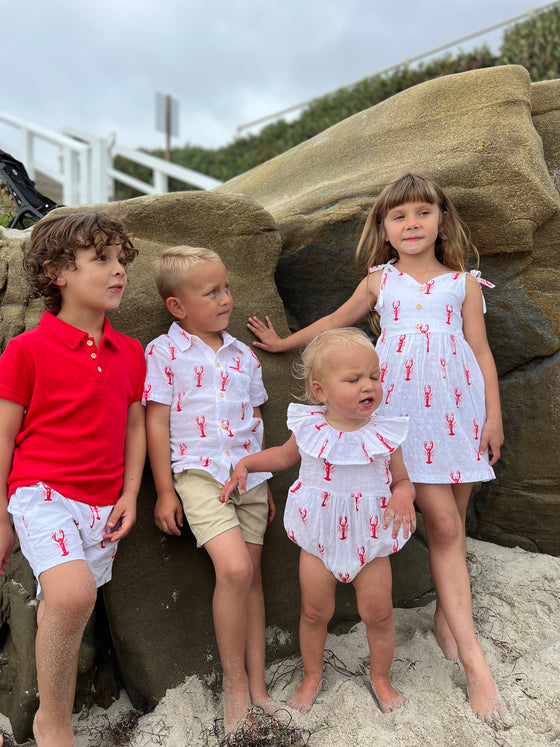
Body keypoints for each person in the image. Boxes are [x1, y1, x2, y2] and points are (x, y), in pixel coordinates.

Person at [245, 173, 509, 730]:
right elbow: (332, 326)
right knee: (440, 524)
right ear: (384, 228)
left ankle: (446, 614)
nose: (411, 224)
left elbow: (481, 353)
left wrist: (494, 415)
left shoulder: (463, 284)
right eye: (398, 216)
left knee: (451, 523)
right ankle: (477, 664)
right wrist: (285, 343)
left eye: (422, 213)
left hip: (457, 410)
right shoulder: (379, 281)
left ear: (442, 220)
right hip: (397, 411)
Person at [0, 212, 147, 747]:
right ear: (56, 271)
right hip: (41, 493)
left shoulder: (130, 351)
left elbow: (135, 424)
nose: (118, 272)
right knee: (71, 593)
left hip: (102, 505)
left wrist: (131, 493)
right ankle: (52, 723)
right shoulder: (26, 351)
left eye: (120, 261)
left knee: (76, 601)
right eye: (101, 260)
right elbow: (3, 437)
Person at [221, 328, 416, 715]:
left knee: (378, 614)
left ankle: (381, 678)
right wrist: (247, 463)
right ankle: (312, 676)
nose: (369, 386)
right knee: (313, 613)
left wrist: (403, 494)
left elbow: (402, 480)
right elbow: (281, 457)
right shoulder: (310, 429)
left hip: (371, 539)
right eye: (354, 379)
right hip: (319, 538)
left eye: (374, 376)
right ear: (321, 391)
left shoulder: (384, 434)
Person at [143, 245, 276, 736]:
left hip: (251, 477)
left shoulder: (243, 354)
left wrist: (264, 476)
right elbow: (156, 423)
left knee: (254, 576)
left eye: (227, 288)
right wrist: (163, 491)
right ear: (178, 307)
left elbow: (257, 419)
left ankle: (260, 685)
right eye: (212, 292)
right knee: (235, 567)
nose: (226, 299)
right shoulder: (163, 352)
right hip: (198, 476)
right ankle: (235, 686)